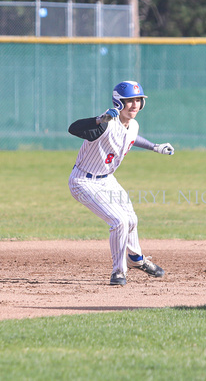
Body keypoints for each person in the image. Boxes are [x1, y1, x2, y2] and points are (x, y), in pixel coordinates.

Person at [68, 80, 174, 286]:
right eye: (129, 100)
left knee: (132, 219)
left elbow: (132, 137)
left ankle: (135, 259)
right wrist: (99, 120)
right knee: (119, 221)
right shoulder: (106, 124)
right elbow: (74, 128)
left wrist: (155, 147)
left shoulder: (133, 124)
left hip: (107, 180)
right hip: (83, 181)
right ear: (118, 102)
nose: (134, 104)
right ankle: (118, 271)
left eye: (138, 100)